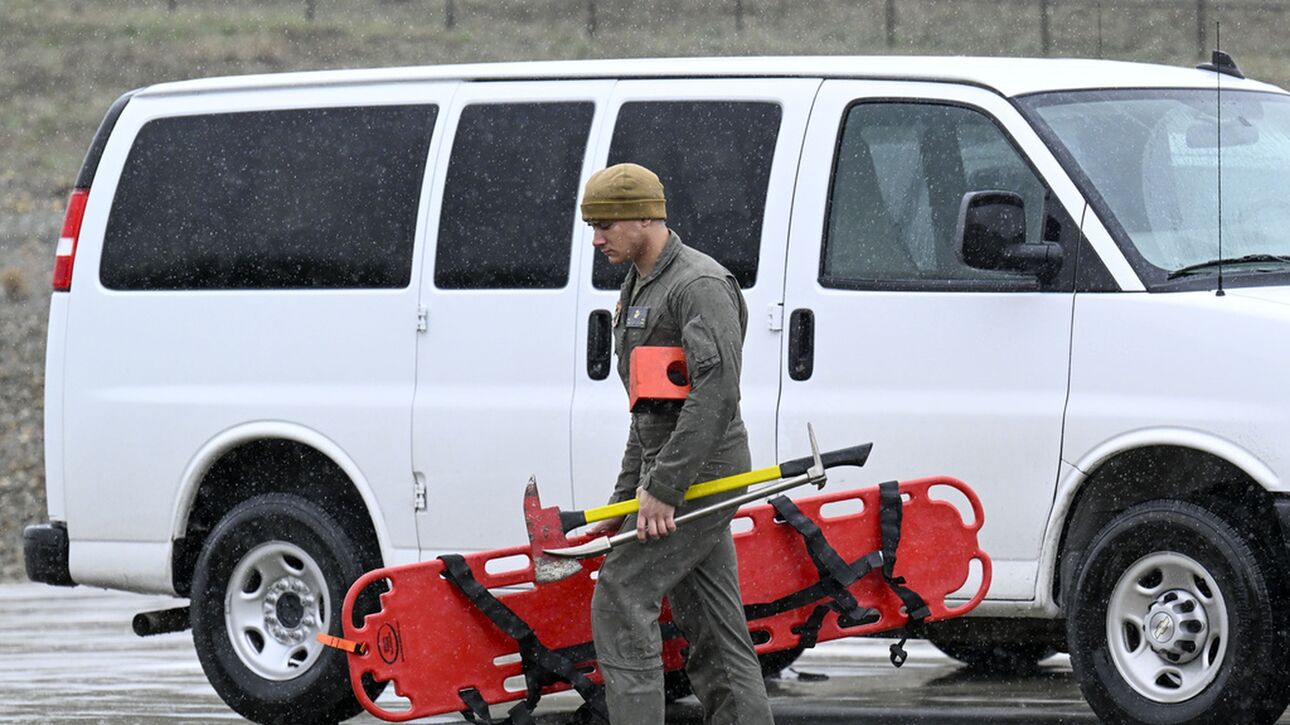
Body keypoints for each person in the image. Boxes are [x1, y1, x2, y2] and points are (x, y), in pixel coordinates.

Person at [581, 162, 774, 725]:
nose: (596, 239)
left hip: (702, 472)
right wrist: (620, 506)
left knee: (621, 595)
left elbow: (715, 397)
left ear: (647, 217)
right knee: (712, 622)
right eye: (593, 225)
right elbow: (648, 414)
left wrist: (664, 489)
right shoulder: (641, 281)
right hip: (676, 470)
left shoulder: (698, 285)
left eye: (606, 225)